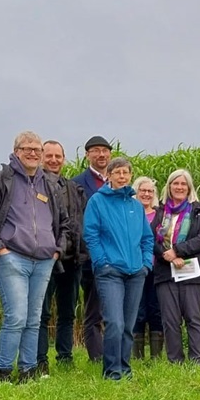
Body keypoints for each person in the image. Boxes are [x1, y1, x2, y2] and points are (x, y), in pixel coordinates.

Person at [0, 131, 68, 384]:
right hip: (12, 256)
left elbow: (64, 222)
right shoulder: (1, 179)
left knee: (33, 318)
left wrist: (57, 249)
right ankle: (4, 370)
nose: (33, 153)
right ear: (16, 151)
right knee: (16, 316)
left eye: (37, 149)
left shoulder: (49, 184)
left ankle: (28, 370)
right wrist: (0, 248)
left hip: (44, 260)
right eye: (27, 148)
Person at [83, 157, 155, 380]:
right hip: (110, 271)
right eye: (118, 173)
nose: (122, 177)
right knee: (114, 322)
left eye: (126, 173)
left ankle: (125, 368)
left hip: (136, 272)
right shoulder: (97, 201)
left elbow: (147, 238)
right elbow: (91, 234)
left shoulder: (135, 205)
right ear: (110, 176)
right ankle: (112, 371)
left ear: (130, 176)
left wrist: (146, 264)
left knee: (128, 325)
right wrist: (101, 262)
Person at [153, 169, 200, 364]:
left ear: (189, 188)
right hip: (165, 272)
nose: (179, 187)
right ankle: (175, 361)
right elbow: (149, 238)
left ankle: (197, 360)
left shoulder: (199, 211)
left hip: (192, 272)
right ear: (169, 187)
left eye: (183, 184)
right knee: (170, 320)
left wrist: (178, 251)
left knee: (193, 318)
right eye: (175, 183)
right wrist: (168, 256)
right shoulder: (160, 212)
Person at [38, 140, 84, 369]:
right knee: (42, 313)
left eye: (58, 156)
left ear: (64, 159)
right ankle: (40, 359)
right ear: (41, 157)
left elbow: (80, 223)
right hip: (46, 258)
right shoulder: (34, 185)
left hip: (71, 260)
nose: (54, 160)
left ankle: (65, 357)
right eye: (49, 156)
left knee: (67, 313)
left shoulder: (73, 188)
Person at [73, 136, 113, 362]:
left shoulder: (119, 181)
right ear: (87, 155)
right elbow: (76, 221)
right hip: (91, 257)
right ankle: (96, 357)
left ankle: (115, 352)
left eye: (105, 151)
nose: (101, 155)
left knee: (115, 308)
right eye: (96, 151)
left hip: (118, 256)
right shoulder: (78, 183)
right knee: (94, 309)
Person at [131, 176, 163, 359]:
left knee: (156, 309)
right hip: (136, 268)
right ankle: (138, 355)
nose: (146, 194)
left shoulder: (160, 214)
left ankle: (156, 356)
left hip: (157, 268)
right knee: (138, 310)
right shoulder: (131, 213)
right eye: (142, 190)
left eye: (150, 191)